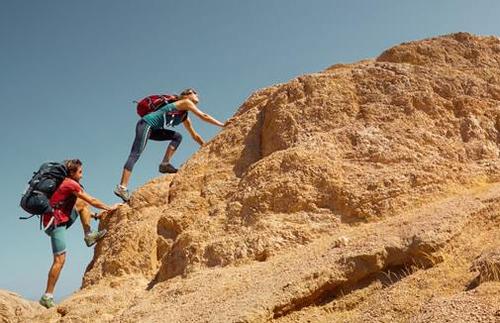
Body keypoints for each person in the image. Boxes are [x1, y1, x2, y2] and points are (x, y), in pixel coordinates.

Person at [114, 88, 225, 202]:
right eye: (193, 92)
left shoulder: (184, 116)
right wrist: (223, 125)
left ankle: (164, 164)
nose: (197, 94)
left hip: (154, 129)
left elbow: (194, 135)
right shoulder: (185, 102)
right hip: (146, 124)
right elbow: (204, 116)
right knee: (136, 153)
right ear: (185, 96)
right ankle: (122, 187)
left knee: (177, 136)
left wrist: (205, 146)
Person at [39, 159, 119, 309]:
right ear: (72, 173)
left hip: (55, 219)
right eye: (80, 172)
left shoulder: (64, 182)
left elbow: (79, 205)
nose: (82, 175)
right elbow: (92, 199)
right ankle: (47, 296)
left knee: (82, 205)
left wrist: (94, 216)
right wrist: (110, 208)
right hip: (55, 224)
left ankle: (89, 236)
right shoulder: (70, 184)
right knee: (59, 260)